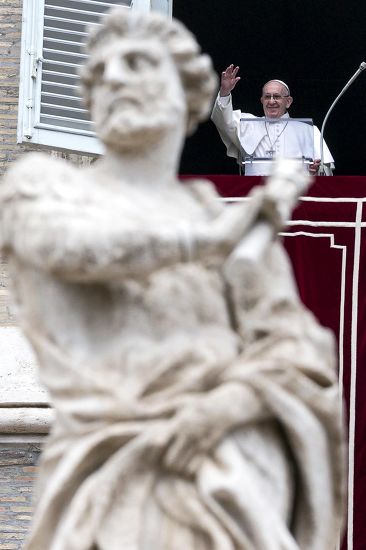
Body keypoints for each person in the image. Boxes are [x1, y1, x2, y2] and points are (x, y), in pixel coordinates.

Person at [0, 10, 344, 550]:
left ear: (184, 91)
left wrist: (221, 409)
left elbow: (297, 352)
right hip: (109, 484)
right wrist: (209, 244)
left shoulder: (218, 214)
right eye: (100, 71)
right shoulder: (47, 187)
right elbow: (66, 250)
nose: (114, 78)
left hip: (235, 482)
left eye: (136, 64)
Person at [211, 64, 335, 175]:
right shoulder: (246, 124)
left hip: (294, 194)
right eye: (267, 97)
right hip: (256, 193)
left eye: (276, 96)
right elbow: (222, 120)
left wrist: (315, 170)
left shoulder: (308, 130)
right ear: (262, 101)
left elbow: (324, 169)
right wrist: (225, 91)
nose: (271, 101)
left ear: (288, 101)